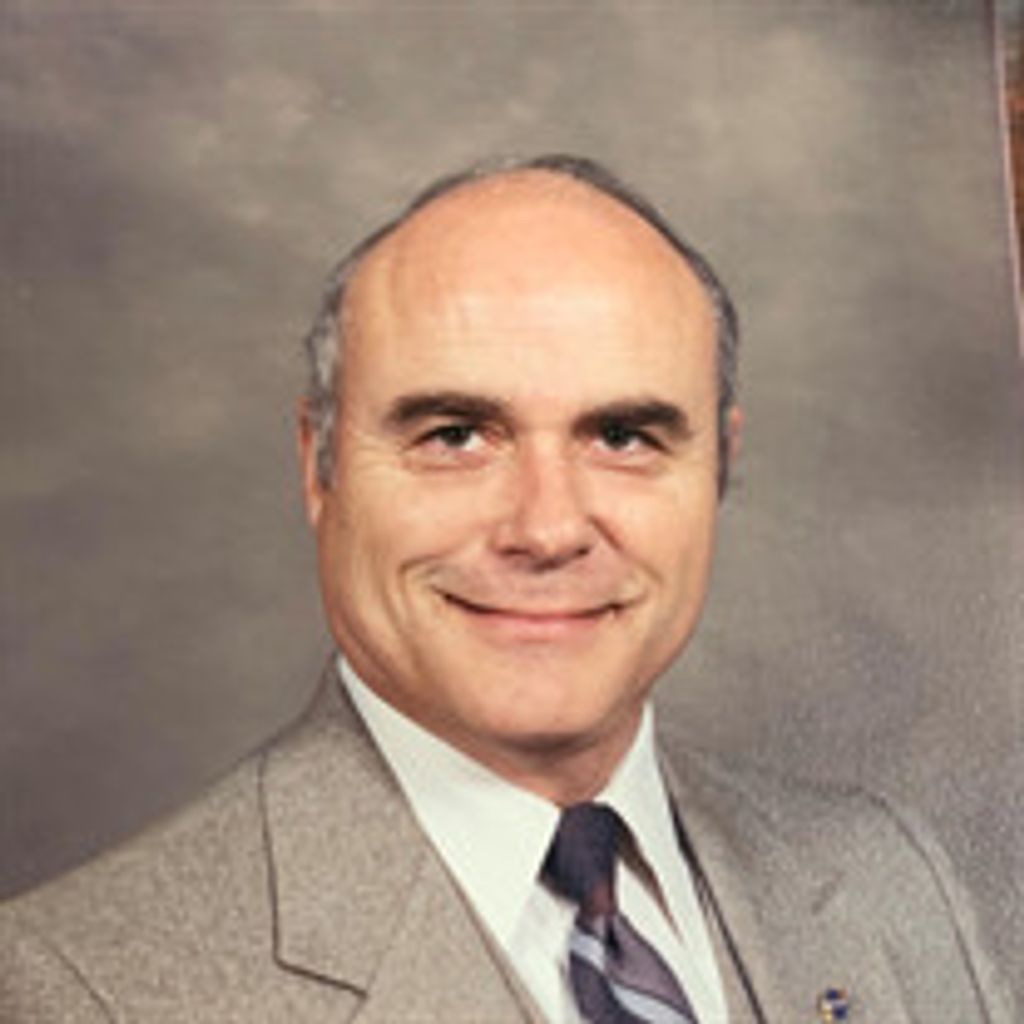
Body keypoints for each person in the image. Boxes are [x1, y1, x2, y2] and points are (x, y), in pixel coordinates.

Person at [0, 155, 1012, 1023]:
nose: (547, 527)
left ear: (718, 464)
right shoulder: (78, 988)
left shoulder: (885, 880)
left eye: (624, 436)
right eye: (455, 436)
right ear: (320, 467)